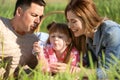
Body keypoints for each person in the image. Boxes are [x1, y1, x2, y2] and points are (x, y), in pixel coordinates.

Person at [65, 0, 120, 79]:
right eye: (68, 21)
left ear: (86, 18)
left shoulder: (112, 33)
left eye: (73, 21)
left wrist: (78, 71)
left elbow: (110, 72)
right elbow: (92, 67)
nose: (69, 26)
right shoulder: (88, 37)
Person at [0, 0, 47, 79]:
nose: (38, 21)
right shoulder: (1, 26)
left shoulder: (34, 42)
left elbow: (40, 70)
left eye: (40, 17)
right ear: (19, 12)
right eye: (34, 15)